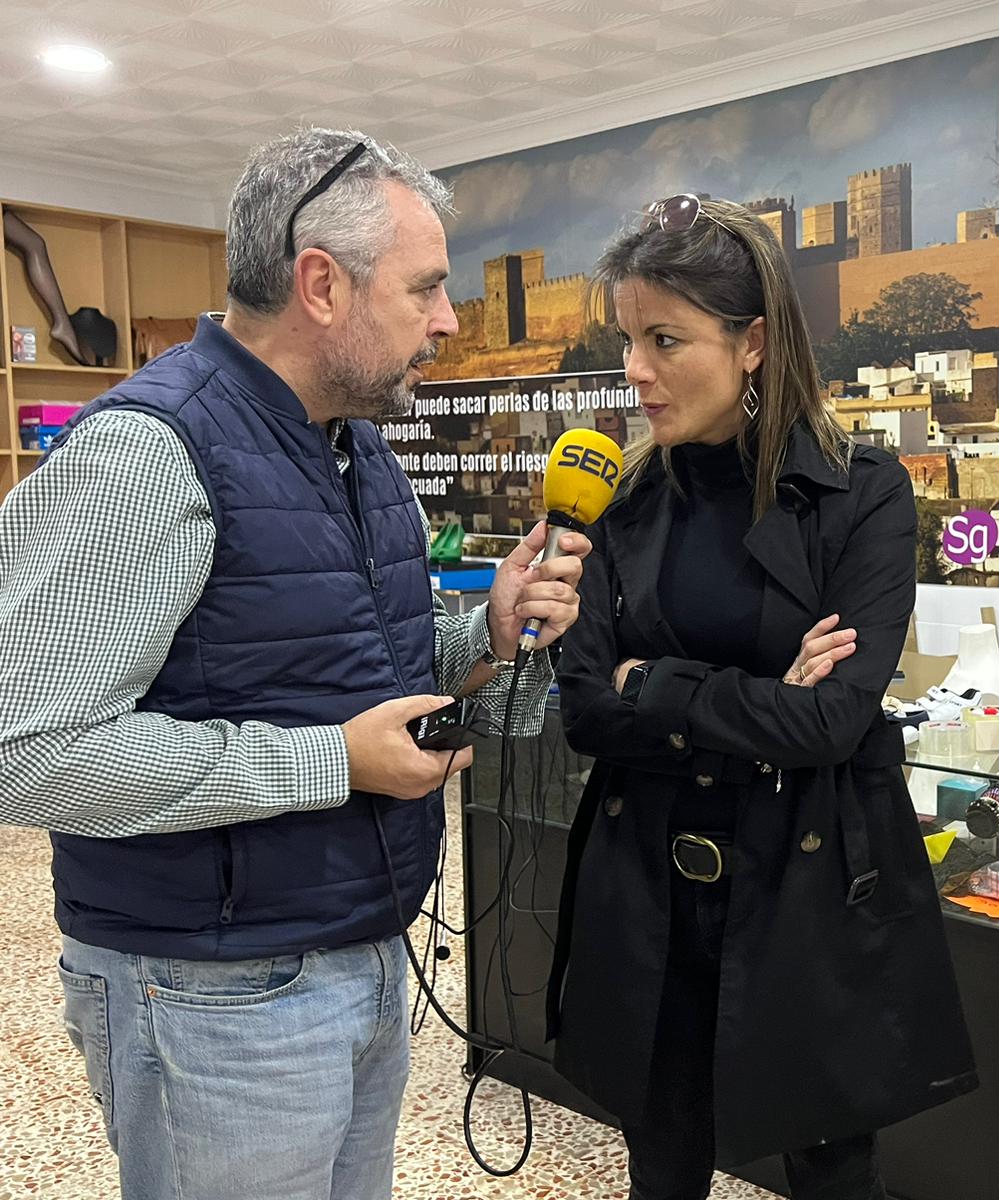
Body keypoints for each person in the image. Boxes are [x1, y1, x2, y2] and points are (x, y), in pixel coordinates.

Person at [0, 127, 590, 1200]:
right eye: (426, 290)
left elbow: (361, 674)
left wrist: (485, 640)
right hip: (207, 994)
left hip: (358, 952)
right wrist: (327, 765)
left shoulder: (356, 447)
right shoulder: (146, 453)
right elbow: (26, 754)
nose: (448, 323)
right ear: (321, 284)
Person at [549, 194, 977, 1200]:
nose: (637, 372)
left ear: (752, 341)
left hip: (807, 887)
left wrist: (650, 680)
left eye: (666, 339)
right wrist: (749, 699)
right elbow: (582, 712)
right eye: (627, 340)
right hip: (650, 889)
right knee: (660, 1158)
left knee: (829, 1160)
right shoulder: (622, 502)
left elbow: (829, 722)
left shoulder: (857, 492)